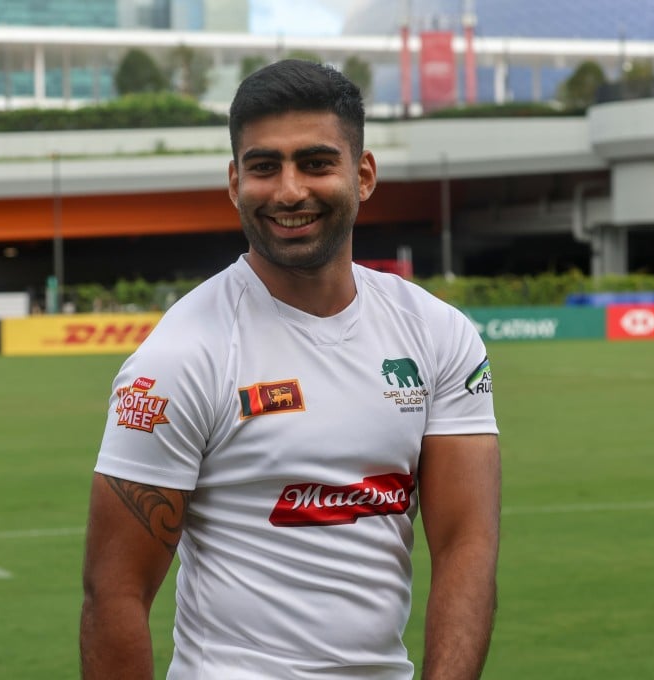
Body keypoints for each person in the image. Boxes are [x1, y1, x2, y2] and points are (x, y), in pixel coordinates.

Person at [80, 59, 501, 680]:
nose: (288, 191)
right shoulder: (181, 355)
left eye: (316, 162)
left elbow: (467, 546)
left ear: (363, 175)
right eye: (263, 166)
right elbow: (113, 595)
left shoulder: (438, 334)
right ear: (234, 182)